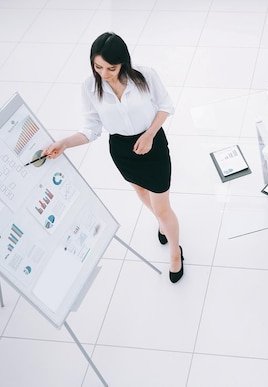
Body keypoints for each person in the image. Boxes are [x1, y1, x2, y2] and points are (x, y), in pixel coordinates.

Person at [43, 32, 185, 283]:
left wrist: (151, 134)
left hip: (152, 143)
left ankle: (175, 253)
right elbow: (91, 129)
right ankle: (162, 224)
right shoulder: (89, 86)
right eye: (98, 67)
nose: (104, 74)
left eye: (111, 68)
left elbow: (165, 105)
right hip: (122, 151)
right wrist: (64, 143)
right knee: (141, 193)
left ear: (123, 63)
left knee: (162, 208)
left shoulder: (145, 75)